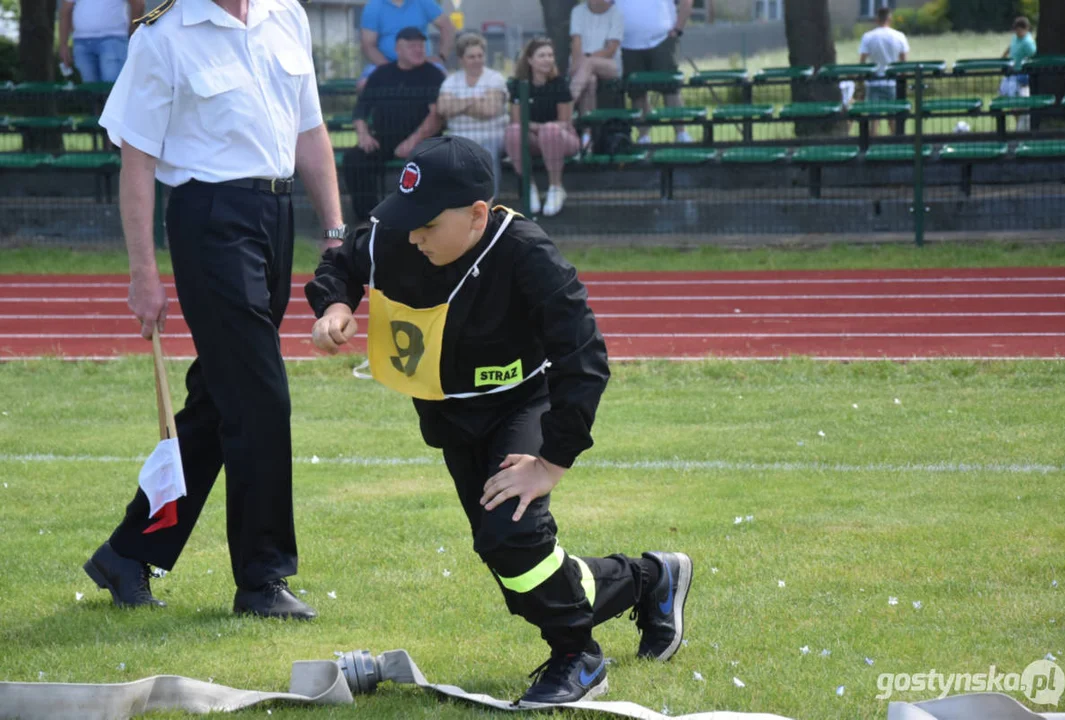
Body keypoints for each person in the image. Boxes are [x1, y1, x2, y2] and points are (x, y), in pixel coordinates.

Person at [304, 135, 694, 706]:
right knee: (509, 558)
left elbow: (584, 358)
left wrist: (550, 462)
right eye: (406, 219)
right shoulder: (399, 235)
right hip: (448, 416)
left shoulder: (528, 255)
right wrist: (335, 305)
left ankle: (579, 658)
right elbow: (342, 260)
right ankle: (650, 580)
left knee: (513, 536)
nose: (412, 235)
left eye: (427, 225)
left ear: (477, 215)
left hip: (520, 405)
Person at [83, 0, 346, 620]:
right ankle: (262, 580)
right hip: (210, 220)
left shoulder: (289, 16)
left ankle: (128, 552)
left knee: (222, 397)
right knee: (259, 397)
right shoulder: (163, 35)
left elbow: (309, 131)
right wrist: (143, 273)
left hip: (274, 215)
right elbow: (138, 161)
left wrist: (335, 232)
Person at [345, 26, 445, 224]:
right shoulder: (381, 75)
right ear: (398, 48)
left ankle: (419, 219)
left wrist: (413, 141)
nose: (419, 50)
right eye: (412, 46)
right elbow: (360, 111)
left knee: (427, 163)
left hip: (423, 141)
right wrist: (364, 135)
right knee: (354, 159)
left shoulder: (433, 75)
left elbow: (436, 116)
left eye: (421, 46)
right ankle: (370, 219)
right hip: (384, 138)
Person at [504, 38, 580, 217]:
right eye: (542, 55)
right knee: (513, 132)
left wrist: (538, 127)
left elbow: (565, 122)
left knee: (551, 130)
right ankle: (528, 187)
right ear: (530, 60)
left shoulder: (560, 84)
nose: (547, 59)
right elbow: (517, 122)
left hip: (562, 138)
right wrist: (538, 128)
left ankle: (556, 187)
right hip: (531, 139)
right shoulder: (518, 85)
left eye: (550, 55)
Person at [437, 33, 509, 197]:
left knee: (484, 153)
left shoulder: (494, 78)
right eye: (471, 57)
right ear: (461, 60)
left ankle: (488, 200)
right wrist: (475, 99)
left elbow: (489, 111)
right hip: (458, 137)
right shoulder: (451, 81)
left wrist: (458, 103)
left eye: (480, 55)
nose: (477, 60)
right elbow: (442, 108)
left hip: (491, 135)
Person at [618, 0, 693, 144]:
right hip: (627, 44)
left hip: (662, 39)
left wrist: (678, 29)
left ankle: (681, 134)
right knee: (637, 93)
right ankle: (643, 137)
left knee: (671, 89)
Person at [359, 0, 456, 88]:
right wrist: (390, 69)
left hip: (421, 62)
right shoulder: (374, 6)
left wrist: (441, 57)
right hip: (384, 63)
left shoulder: (424, 2)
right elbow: (368, 45)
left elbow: (447, 28)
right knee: (363, 85)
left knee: (448, 85)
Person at [569, 0, 624, 147]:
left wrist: (585, 60)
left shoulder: (616, 13)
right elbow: (576, 42)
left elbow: (610, 50)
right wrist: (578, 62)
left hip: (609, 64)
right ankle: (587, 137)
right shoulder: (578, 11)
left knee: (589, 64)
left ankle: (567, 105)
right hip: (582, 65)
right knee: (590, 81)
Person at [58, 0, 145, 83]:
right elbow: (66, 11)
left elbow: (138, 4)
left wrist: (132, 31)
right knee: (86, 92)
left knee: (111, 88)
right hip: (81, 43)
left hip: (112, 41)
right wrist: (63, 45)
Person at [859, 6, 910, 135]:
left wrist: (861, 81)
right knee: (892, 117)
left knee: (874, 118)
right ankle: (895, 142)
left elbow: (862, 61)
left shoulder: (868, 36)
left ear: (877, 19)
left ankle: (873, 144)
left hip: (874, 81)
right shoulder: (899, 36)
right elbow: (904, 62)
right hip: (892, 81)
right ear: (890, 19)